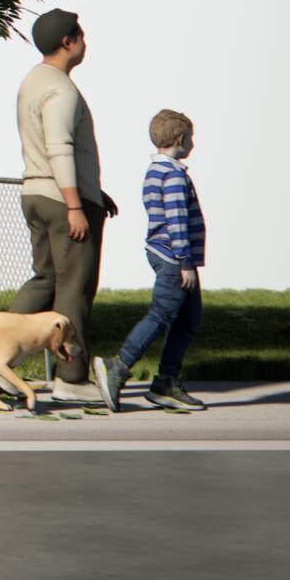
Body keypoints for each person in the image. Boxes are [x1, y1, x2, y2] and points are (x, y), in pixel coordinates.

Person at [10, 7, 114, 400]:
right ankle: (71, 380)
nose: (86, 42)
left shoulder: (33, 80)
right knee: (73, 288)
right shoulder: (61, 89)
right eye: (81, 36)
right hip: (60, 199)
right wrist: (75, 205)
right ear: (68, 42)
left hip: (36, 192)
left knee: (45, 280)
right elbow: (59, 148)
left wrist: (93, 192)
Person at [103, 110, 207, 413]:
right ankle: (118, 366)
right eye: (191, 137)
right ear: (180, 138)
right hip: (175, 257)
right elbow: (176, 219)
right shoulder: (173, 175)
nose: (193, 143)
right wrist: (185, 262)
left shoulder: (155, 171)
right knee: (161, 314)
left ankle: (166, 382)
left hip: (168, 254)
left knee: (189, 319)